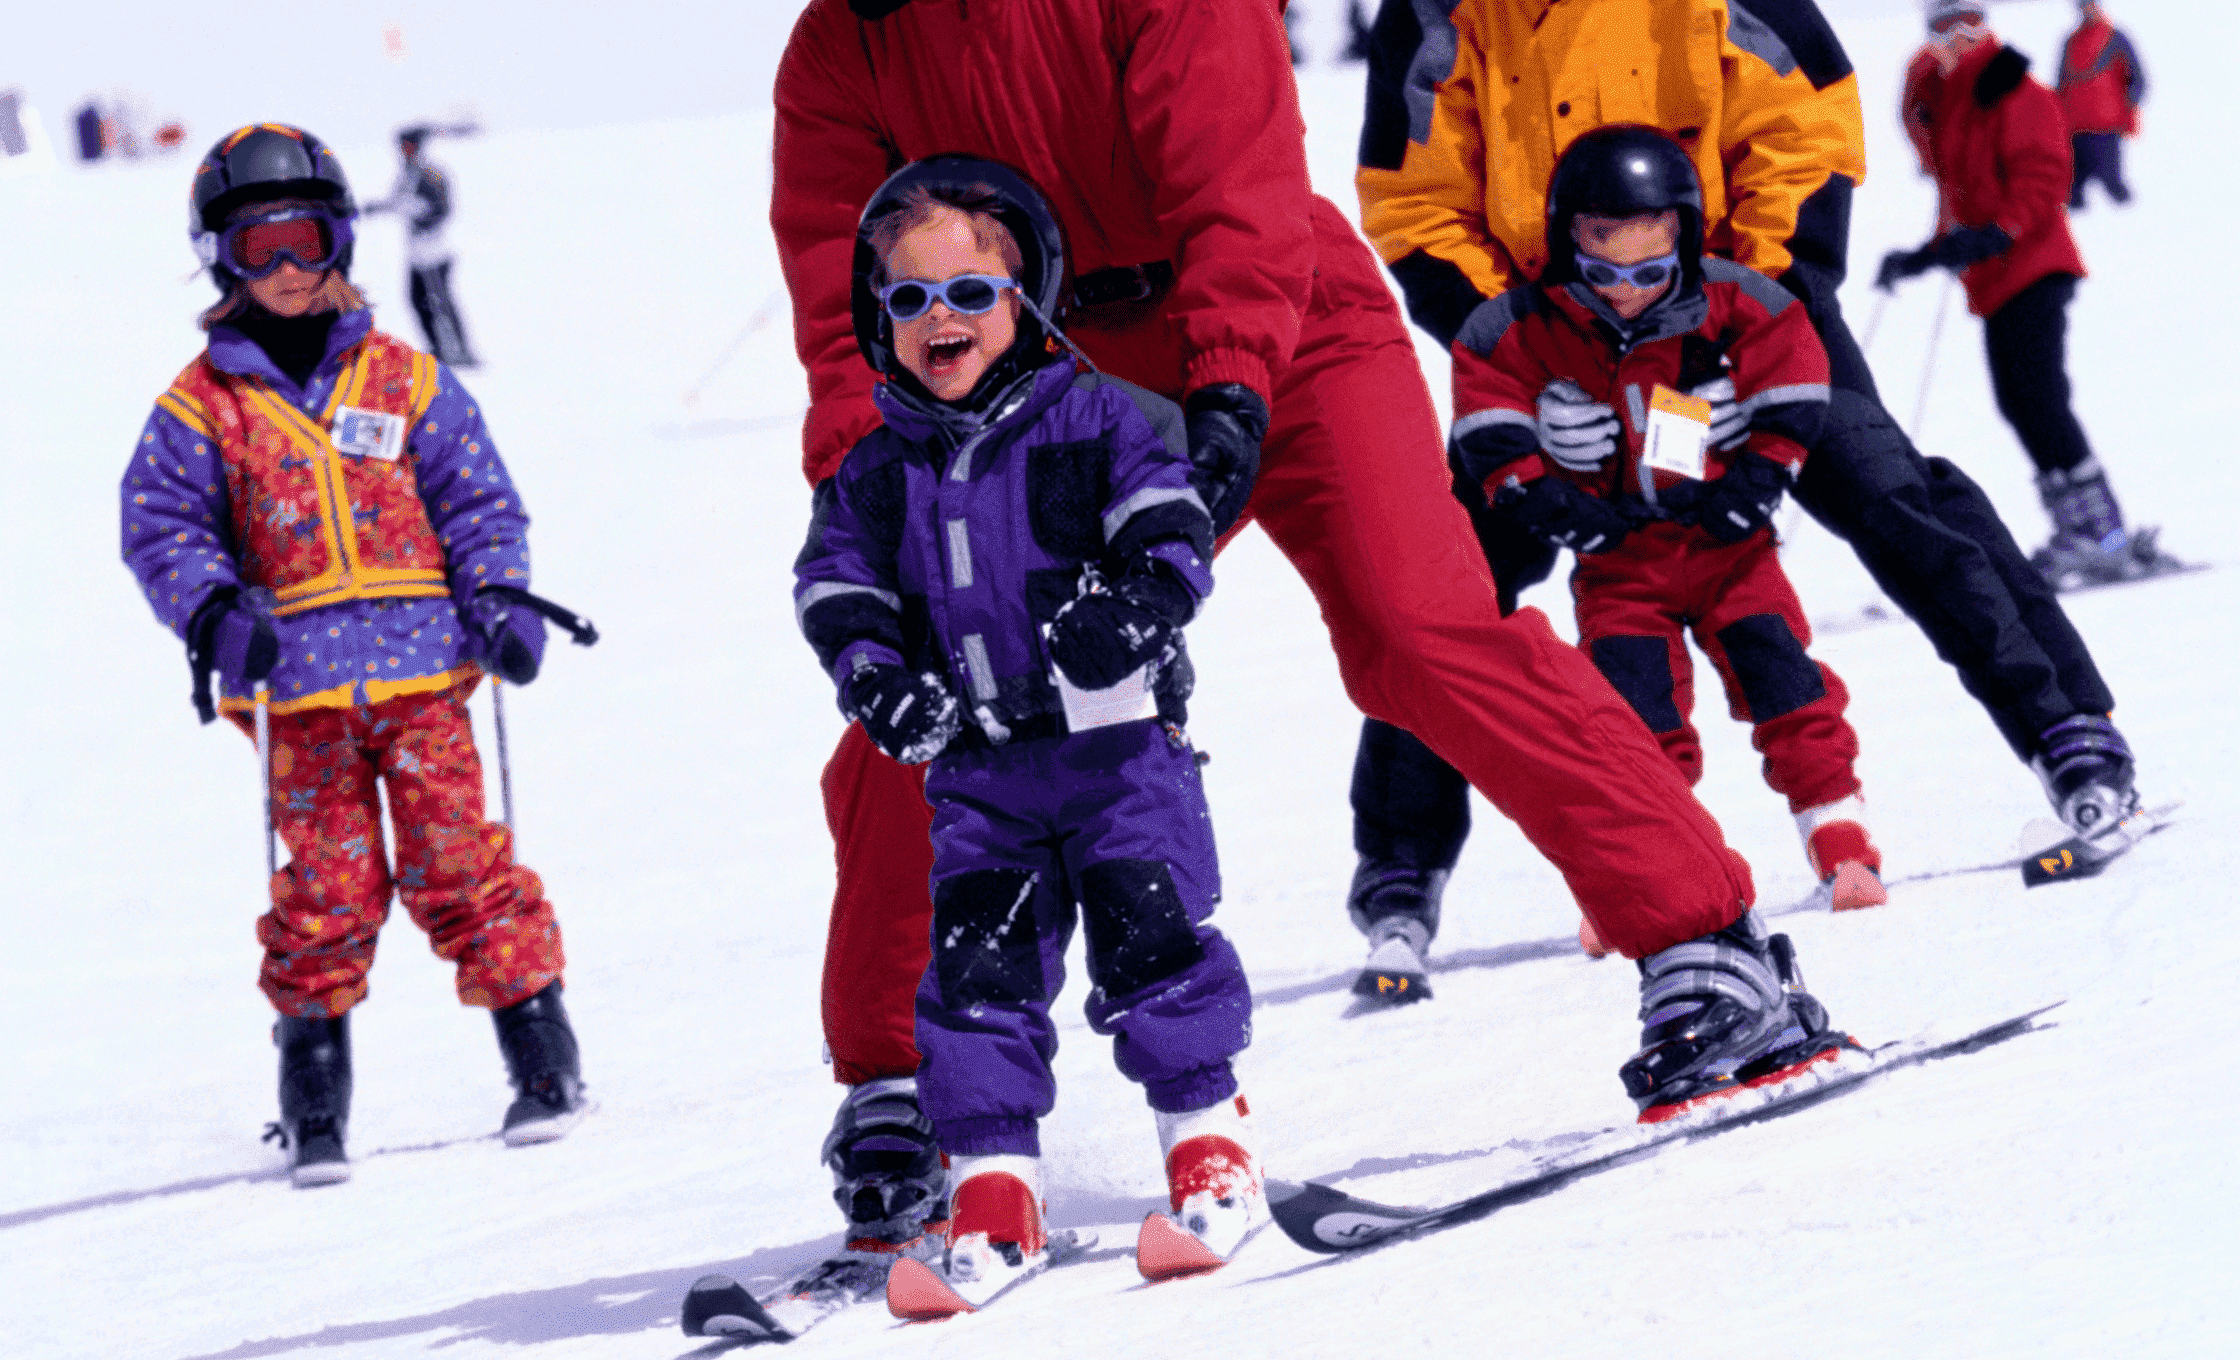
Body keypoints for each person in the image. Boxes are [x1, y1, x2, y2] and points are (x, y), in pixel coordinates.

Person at [772, 0, 1813, 1260]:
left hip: (1286, 322)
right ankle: (901, 1089)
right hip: (1035, 375)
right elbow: (844, 309)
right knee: (945, 685)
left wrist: (1224, 390)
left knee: (1416, 630)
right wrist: (867, 492)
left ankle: (1703, 942)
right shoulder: (842, 43)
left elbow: (1235, 184)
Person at [1346, 0, 2142, 978]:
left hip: (1742, 308)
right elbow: (1408, 193)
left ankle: (2068, 733)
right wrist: (1518, 343)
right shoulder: (1436, 10)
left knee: (1882, 487)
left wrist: (1730, 311)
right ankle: (1400, 872)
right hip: (1547, 339)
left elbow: (1803, 126)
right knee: (1448, 581)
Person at [794, 158, 1264, 1286]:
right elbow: (836, 586)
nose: (938, 320)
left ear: (1027, 298)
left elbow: (1168, 525)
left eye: (967, 293)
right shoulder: (877, 470)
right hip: (977, 772)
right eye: (907, 300)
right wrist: (875, 678)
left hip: (1115, 752)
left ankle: (1210, 1148)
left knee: (1150, 940)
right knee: (976, 976)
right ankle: (993, 1188)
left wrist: (1137, 609)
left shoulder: (1098, 418)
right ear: (879, 320)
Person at [120, 124, 590, 1187]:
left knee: (461, 864)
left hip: (424, 674)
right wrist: (210, 611)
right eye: (260, 247)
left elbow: (477, 500)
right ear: (220, 259)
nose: (288, 270)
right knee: (326, 888)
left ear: (342, 241)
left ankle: (543, 1059)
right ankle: (314, 1097)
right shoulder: (205, 405)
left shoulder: (404, 379)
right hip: (298, 691)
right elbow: (162, 525)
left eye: (308, 239)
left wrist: (500, 595)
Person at [1456, 128, 1889, 951]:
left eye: (1650, 272)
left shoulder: (1733, 301)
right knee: (1632, 715)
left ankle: (1837, 831)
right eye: (1602, 268)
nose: (1626, 293)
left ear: (1684, 244)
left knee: (1782, 679)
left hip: (1726, 552)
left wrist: (1761, 476)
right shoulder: (1522, 324)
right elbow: (1488, 413)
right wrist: (1546, 497)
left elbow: (1794, 375)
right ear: (1564, 241)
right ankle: (1651, 869)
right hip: (1619, 565)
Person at [1882, 0, 2175, 590]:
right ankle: (2085, 529)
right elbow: (1960, 201)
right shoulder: (1952, 103)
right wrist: (1925, 256)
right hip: (1996, 279)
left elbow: (2044, 176)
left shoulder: (2011, 89)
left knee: (2039, 400)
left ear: (1985, 25)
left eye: (1967, 22)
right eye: (1941, 27)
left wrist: (2000, 232)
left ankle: (2102, 532)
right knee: (2020, 403)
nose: (1956, 37)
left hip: (2036, 267)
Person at [365, 126, 478, 368]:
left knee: (441, 301)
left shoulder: (430, 174)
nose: (401, 152)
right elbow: (397, 203)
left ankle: (461, 351)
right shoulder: (408, 175)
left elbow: (442, 208)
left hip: (434, 250)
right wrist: (377, 208)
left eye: (406, 146)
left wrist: (418, 210)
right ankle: (438, 348)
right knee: (417, 299)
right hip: (417, 252)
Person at [2057, 1, 2146, 209]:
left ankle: (2134, 219)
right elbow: (2061, 81)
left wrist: (2128, 105)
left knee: (2111, 183)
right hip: (2075, 125)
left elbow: (2138, 77)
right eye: (2083, 5)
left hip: (2106, 125)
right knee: (2074, 190)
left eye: (2091, 4)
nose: (2088, 9)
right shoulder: (2071, 41)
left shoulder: (2115, 37)